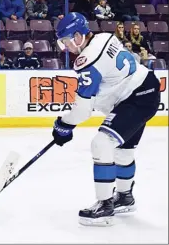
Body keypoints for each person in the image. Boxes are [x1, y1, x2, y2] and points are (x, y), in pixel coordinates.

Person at [52, 12, 160, 227]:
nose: (67, 47)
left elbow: (82, 111)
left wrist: (63, 125)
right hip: (146, 88)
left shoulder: (87, 59)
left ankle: (105, 204)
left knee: (101, 143)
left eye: (67, 41)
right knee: (123, 151)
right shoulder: (104, 37)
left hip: (135, 97)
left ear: (78, 35)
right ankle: (125, 197)